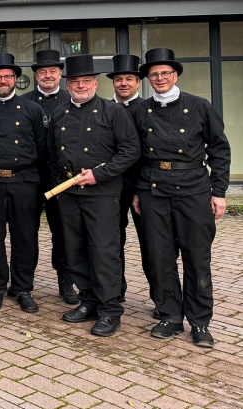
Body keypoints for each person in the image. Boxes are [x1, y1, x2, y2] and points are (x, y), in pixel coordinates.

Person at [132, 48, 231, 348]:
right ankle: (170, 315)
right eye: (154, 74)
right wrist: (138, 190)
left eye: (165, 73)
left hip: (193, 189)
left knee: (197, 257)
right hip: (154, 190)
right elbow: (134, 155)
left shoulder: (199, 106)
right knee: (160, 257)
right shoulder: (141, 111)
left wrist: (219, 192)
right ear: (148, 79)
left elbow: (220, 150)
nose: (160, 78)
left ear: (175, 75)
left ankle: (200, 322)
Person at [49, 54, 140, 337]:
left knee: (104, 251)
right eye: (75, 81)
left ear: (96, 82)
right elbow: (52, 156)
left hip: (102, 193)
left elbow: (130, 150)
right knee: (75, 249)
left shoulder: (114, 112)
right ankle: (88, 300)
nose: (80, 85)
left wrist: (99, 174)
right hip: (69, 193)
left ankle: (110, 309)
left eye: (86, 80)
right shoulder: (59, 114)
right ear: (68, 85)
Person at [0, 53, 47, 314]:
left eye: (8, 76)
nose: (3, 80)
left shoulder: (32, 109)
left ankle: (23, 287)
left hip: (24, 180)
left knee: (25, 236)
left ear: (15, 79)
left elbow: (41, 147)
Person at [21, 49, 77, 305]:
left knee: (63, 232)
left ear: (60, 74)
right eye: (42, 72)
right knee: (26, 231)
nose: (47, 75)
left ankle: (66, 282)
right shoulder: (23, 102)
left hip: (61, 179)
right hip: (30, 177)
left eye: (52, 71)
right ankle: (24, 283)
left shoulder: (71, 100)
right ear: (35, 75)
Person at [107, 54, 149, 304]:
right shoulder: (103, 108)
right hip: (110, 186)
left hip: (142, 187)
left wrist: (142, 188)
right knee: (111, 242)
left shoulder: (148, 109)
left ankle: (160, 298)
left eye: (129, 79)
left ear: (138, 82)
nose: (123, 83)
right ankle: (115, 290)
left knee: (151, 244)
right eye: (119, 79)